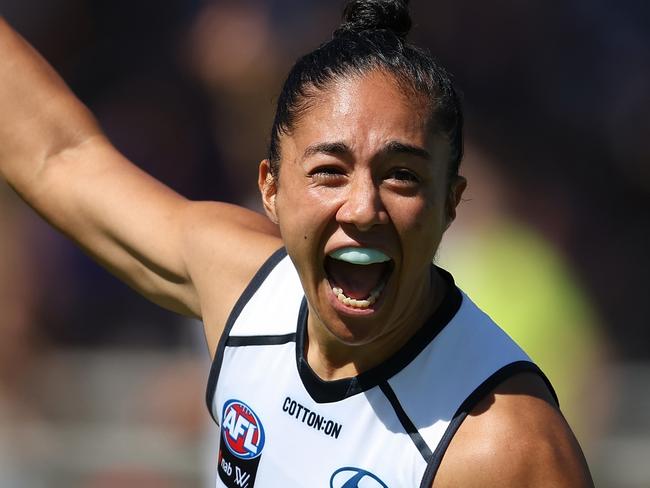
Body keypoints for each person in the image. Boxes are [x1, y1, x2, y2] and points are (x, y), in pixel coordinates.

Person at [0, 0, 593, 486]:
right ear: (270, 188)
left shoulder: (506, 449)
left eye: (402, 176)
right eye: (329, 171)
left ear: (451, 203)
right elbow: (59, 159)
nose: (362, 209)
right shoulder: (243, 289)